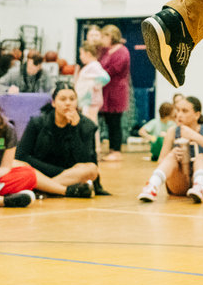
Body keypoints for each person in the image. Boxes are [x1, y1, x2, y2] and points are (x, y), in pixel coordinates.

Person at [138, 94, 203, 203]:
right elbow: (161, 161)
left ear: (197, 115)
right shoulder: (172, 131)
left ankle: (199, 186)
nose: (179, 115)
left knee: (201, 157)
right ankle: (151, 187)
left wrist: (196, 137)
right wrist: (173, 153)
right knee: (171, 155)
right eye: (178, 110)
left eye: (184, 111)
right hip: (179, 182)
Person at [16, 84, 100, 198]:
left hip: (72, 175)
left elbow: (85, 160)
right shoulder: (37, 123)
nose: (68, 103)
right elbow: (21, 155)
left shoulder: (87, 125)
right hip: (42, 172)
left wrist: (75, 129)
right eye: (63, 99)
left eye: (72, 99)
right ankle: (59, 189)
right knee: (14, 164)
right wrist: (59, 172)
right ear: (53, 103)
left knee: (91, 169)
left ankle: (44, 189)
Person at [97, 24, 131, 162]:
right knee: (108, 121)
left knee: (115, 122)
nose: (102, 39)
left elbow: (112, 70)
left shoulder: (122, 51)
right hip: (106, 90)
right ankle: (111, 149)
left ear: (111, 36)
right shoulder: (106, 51)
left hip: (116, 91)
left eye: (104, 36)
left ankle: (116, 150)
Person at [73, 41, 109, 126]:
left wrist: (96, 85)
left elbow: (106, 78)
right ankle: (93, 139)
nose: (80, 57)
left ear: (88, 54)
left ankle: (93, 139)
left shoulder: (94, 66)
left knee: (90, 124)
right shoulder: (90, 66)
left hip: (91, 101)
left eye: (81, 54)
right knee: (90, 124)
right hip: (87, 101)